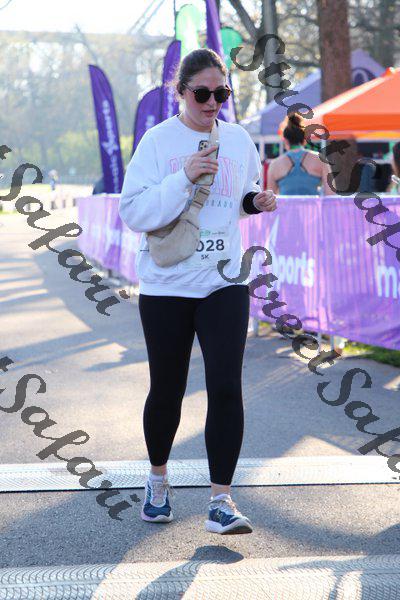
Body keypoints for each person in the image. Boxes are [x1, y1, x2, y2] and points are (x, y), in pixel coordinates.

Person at [119, 48, 277, 535]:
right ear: (181, 92)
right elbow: (134, 212)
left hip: (225, 280)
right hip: (167, 284)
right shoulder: (157, 141)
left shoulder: (238, 139)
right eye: (202, 94)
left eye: (221, 93)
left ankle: (221, 500)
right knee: (167, 389)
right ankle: (158, 480)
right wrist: (183, 176)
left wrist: (255, 201)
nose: (212, 103)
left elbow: (237, 196)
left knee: (226, 386)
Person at [267, 113, 333, 196]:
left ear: (285, 140)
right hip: (312, 205)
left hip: (286, 205)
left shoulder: (275, 165)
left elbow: (269, 199)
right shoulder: (320, 159)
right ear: (304, 139)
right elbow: (330, 195)